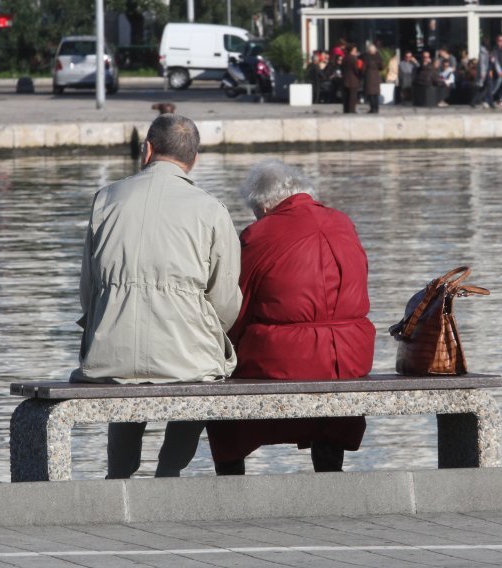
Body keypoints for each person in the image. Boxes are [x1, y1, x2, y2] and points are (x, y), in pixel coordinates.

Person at [72, 113, 242, 479]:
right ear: (194, 158)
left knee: (122, 364)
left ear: (146, 150)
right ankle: (169, 472)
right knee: (200, 372)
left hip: (109, 355)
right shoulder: (212, 210)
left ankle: (119, 474)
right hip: (187, 356)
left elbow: (88, 290)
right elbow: (226, 299)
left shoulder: (105, 200)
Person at [206, 159, 376, 475]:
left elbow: (235, 306)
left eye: (256, 212)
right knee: (329, 392)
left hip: (285, 359)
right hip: (351, 358)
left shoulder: (261, 233)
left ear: (267, 205)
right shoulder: (343, 222)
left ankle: (230, 484)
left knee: (223, 395)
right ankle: (329, 472)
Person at [362, 43, 384, 113]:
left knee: (371, 93)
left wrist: (362, 73)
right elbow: (382, 67)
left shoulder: (367, 57)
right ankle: (376, 108)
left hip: (369, 76)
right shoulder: (378, 57)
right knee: (375, 93)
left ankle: (373, 108)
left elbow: (364, 68)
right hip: (376, 76)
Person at [341, 43, 362, 113]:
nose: (356, 51)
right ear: (352, 50)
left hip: (345, 79)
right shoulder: (353, 59)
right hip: (353, 80)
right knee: (352, 96)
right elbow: (356, 69)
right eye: (355, 50)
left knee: (346, 96)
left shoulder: (344, 58)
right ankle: (351, 110)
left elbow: (342, 68)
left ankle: (346, 109)